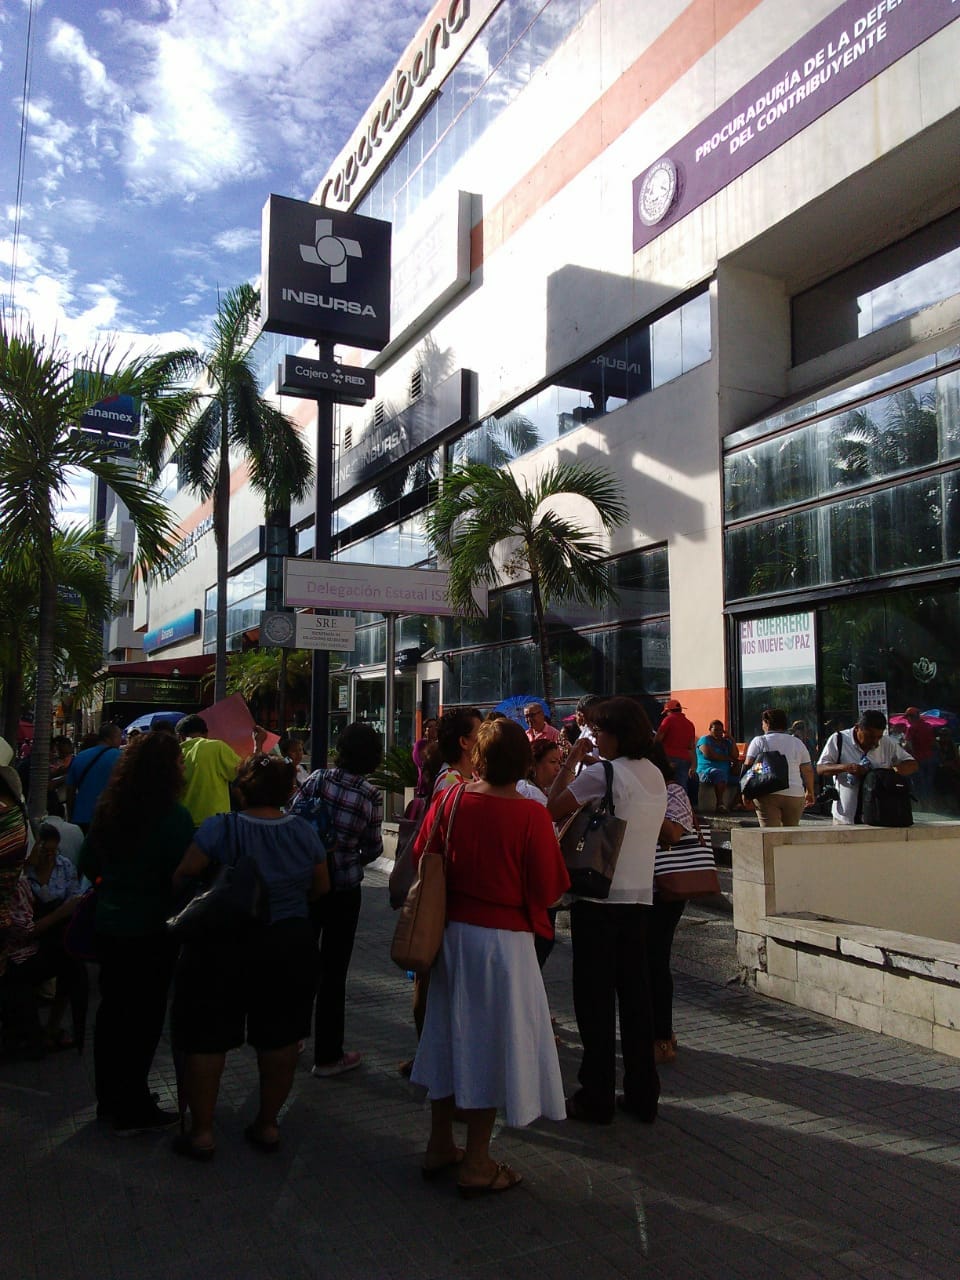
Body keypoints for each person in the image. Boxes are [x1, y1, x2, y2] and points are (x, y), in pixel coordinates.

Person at [411, 718, 569, 1195]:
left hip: (452, 936)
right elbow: (550, 889)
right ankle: (477, 1161)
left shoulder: (450, 799)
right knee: (489, 1045)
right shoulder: (531, 816)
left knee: (445, 1036)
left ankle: (440, 1143)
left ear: (475, 757)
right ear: (523, 763)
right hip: (505, 944)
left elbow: (424, 855)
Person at [170, 755, 331, 1159]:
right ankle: (267, 1124)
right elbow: (321, 887)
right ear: (287, 792)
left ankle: (202, 1132)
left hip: (221, 943)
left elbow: (184, 873)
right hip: (288, 941)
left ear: (241, 789)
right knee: (280, 1036)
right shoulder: (303, 831)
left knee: (207, 1037)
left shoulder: (220, 827)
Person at [548, 696, 667, 1125]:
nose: (593, 737)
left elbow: (552, 805)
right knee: (636, 999)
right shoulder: (653, 773)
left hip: (599, 898)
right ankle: (642, 1091)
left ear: (615, 733)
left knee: (595, 1001)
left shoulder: (604, 773)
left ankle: (595, 1093)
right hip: (639, 898)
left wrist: (572, 761)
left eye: (598, 731)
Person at [78, 733, 195, 1133]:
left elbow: (87, 858)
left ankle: (109, 1100)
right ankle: (133, 1104)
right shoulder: (174, 817)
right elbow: (183, 873)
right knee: (143, 1018)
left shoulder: (110, 809)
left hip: (110, 924)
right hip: (152, 928)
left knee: (111, 1014)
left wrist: (106, 884)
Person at [290, 722, 384, 1078]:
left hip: (307, 883)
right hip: (344, 888)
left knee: (302, 960)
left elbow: (293, 816)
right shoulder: (369, 795)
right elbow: (373, 848)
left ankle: (294, 1035)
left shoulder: (316, 779)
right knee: (334, 971)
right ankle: (328, 1054)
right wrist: (349, 854)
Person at [647, 748, 697, 1065]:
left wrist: (643, 805)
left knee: (656, 960)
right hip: (638, 887)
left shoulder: (672, 790)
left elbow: (674, 833)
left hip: (666, 889)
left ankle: (663, 1036)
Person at [25, 823, 87, 1050]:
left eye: (54, 851)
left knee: (72, 968)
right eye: (45, 851)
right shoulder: (24, 873)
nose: (50, 857)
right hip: (32, 935)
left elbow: (75, 900)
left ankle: (54, 1025)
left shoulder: (64, 866)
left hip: (59, 931)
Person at [816, 709, 918, 825]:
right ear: (857, 728)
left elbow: (912, 764)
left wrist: (889, 772)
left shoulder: (887, 743)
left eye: (878, 737)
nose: (875, 742)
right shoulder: (838, 739)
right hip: (845, 818)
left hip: (879, 818)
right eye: (869, 737)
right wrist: (845, 767)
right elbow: (821, 768)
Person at [741, 708, 815, 827]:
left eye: (763, 722)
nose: (762, 725)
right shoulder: (797, 742)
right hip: (794, 793)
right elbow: (807, 770)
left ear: (767, 723)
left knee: (770, 834)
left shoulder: (759, 741)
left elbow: (748, 765)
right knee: (790, 833)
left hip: (766, 792)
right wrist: (810, 791)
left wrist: (745, 792)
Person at [176, 715, 242, 826]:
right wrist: (257, 746)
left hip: (183, 824)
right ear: (206, 733)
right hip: (215, 824)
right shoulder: (216, 747)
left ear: (180, 736)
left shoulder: (173, 754)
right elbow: (246, 773)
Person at [65, 723, 122, 833]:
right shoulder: (121, 757)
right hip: (109, 817)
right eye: (119, 737)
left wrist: (71, 815)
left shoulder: (80, 756)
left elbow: (70, 790)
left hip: (81, 817)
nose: (121, 740)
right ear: (111, 737)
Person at [695, 720, 740, 812]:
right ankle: (720, 804)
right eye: (716, 730)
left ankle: (737, 803)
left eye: (720, 730)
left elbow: (735, 755)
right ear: (710, 730)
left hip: (726, 773)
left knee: (744, 779)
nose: (718, 732)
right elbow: (710, 755)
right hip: (706, 771)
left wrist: (732, 740)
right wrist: (729, 758)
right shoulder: (704, 740)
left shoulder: (726, 742)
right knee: (719, 773)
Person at [655, 698, 696, 791]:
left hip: (668, 758)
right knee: (681, 786)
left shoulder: (668, 720)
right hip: (685, 759)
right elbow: (691, 746)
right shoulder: (690, 724)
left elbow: (657, 740)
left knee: (665, 785)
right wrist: (693, 764)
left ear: (668, 711)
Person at [902, 708, 937, 805]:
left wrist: (903, 746)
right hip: (930, 758)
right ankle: (930, 804)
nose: (907, 720)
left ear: (911, 717)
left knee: (918, 783)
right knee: (928, 783)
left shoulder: (911, 728)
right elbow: (934, 743)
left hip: (917, 759)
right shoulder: (928, 726)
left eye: (907, 717)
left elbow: (908, 745)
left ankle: (921, 805)